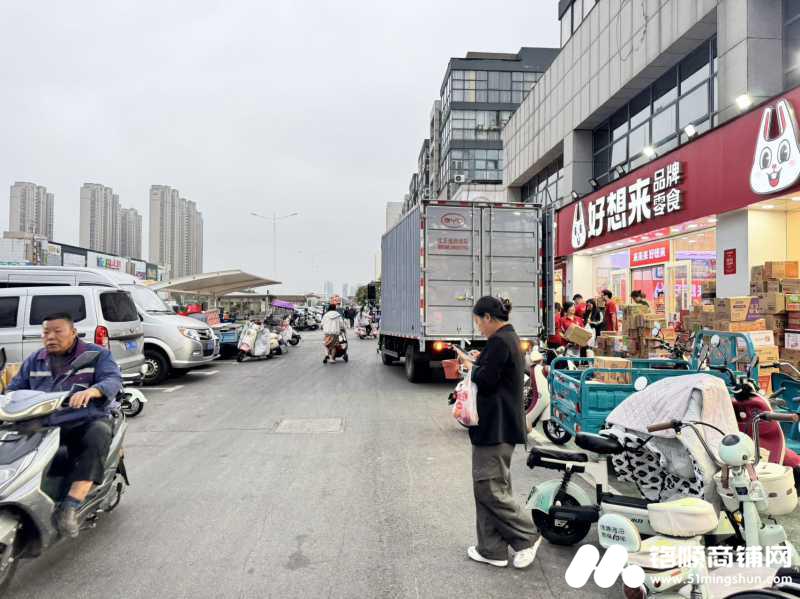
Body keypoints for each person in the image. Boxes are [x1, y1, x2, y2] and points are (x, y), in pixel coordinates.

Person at [7, 313, 123, 538]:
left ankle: (71, 505)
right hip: (44, 424)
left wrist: (93, 391)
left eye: (57, 331)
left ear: (73, 332)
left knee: (98, 433)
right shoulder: (35, 360)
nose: (50, 337)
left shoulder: (97, 355)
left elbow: (112, 379)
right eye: (46, 332)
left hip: (83, 421)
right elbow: (14, 390)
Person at [456, 296, 540, 570]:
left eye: (478, 322)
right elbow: (495, 372)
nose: (478, 327)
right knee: (489, 487)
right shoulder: (506, 339)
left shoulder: (501, 341)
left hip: (496, 427)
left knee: (489, 488)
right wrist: (479, 362)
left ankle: (528, 535)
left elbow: (487, 379)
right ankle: (491, 549)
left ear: (488, 318)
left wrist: (470, 366)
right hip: (497, 426)